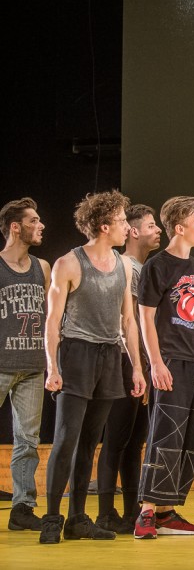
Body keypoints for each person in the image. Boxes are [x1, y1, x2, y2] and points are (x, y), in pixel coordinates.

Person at [40, 191, 146, 543]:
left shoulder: (123, 266)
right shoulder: (68, 264)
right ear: (103, 226)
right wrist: (52, 366)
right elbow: (52, 322)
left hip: (109, 355)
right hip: (77, 354)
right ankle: (52, 518)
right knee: (66, 439)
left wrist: (136, 367)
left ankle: (77, 519)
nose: (127, 227)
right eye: (121, 221)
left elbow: (128, 321)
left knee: (89, 442)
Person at [133, 196, 194, 538]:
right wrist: (155, 363)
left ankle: (167, 512)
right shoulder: (157, 266)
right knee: (165, 435)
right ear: (180, 228)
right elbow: (145, 318)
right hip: (170, 361)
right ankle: (147, 512)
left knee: (191, 438)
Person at [96, 203, 161, 534]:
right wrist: (138, 364)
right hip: (124, 360)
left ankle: (131, 510)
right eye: (151, 226)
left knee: (135, 440)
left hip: (139, 362)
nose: (158, 230)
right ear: (133, 232)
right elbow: (129, 320)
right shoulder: (126, 266)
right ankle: (105, 512)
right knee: (117, 438)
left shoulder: (143, 268)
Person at [0, 198, 50, 532]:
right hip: (1, 363)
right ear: (16, 227)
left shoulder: (42, 267)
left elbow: (52, 316)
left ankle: (22, 507)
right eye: (34, 220)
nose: (41, 225)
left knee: (28, 441)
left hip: (33, 365)